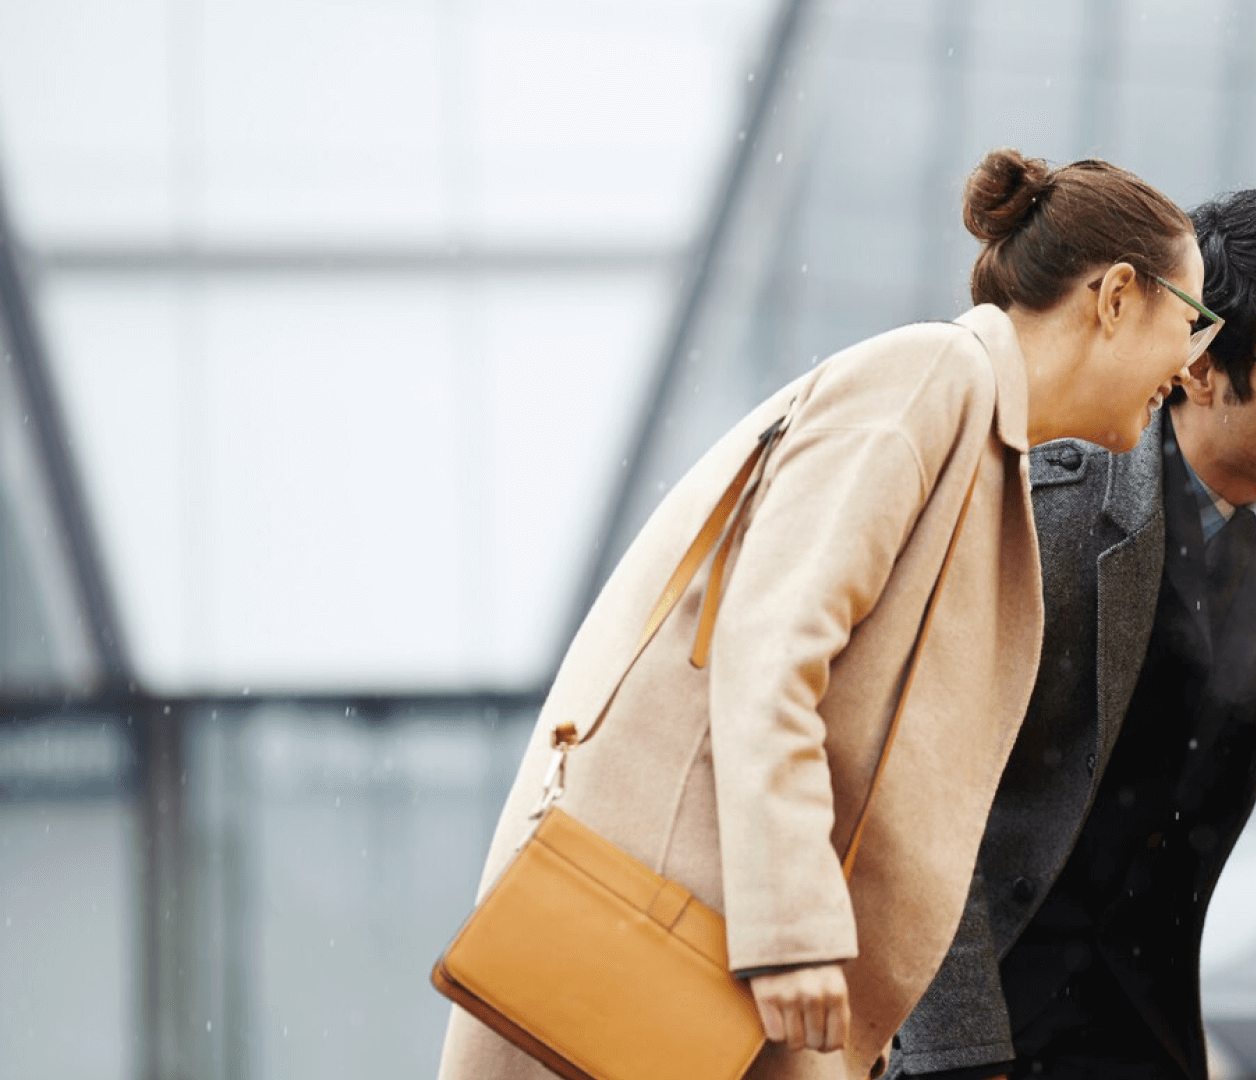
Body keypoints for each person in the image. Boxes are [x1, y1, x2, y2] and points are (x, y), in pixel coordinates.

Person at [436, 148, 1216, 1080]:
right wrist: (793, 932)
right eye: (1193, 320)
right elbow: (769, 647)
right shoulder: (933, 377)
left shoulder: (984, 436)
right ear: (1117, 296)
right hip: (703, 955)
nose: (1193, 365)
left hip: (736, 975)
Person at [891, 187, 1256, 1080]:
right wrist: (957, 1050)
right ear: (1200, 366)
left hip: (1151, 1021)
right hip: (980, 1014)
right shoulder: (1058, 505)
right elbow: (933, 784)